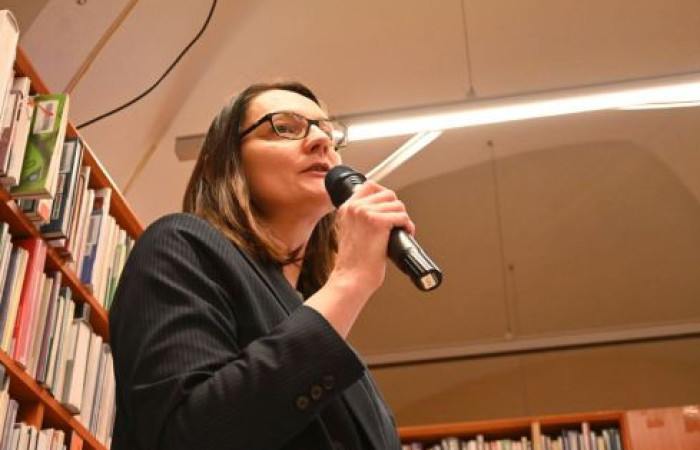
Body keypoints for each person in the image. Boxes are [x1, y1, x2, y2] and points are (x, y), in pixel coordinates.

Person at [109, 81, 415, 450]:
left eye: (329, 133)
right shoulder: (181, 243)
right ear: (220, 164)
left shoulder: (317, 318)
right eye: (284, 127)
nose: (321, 140)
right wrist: (349, 281)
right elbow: (186, 436)